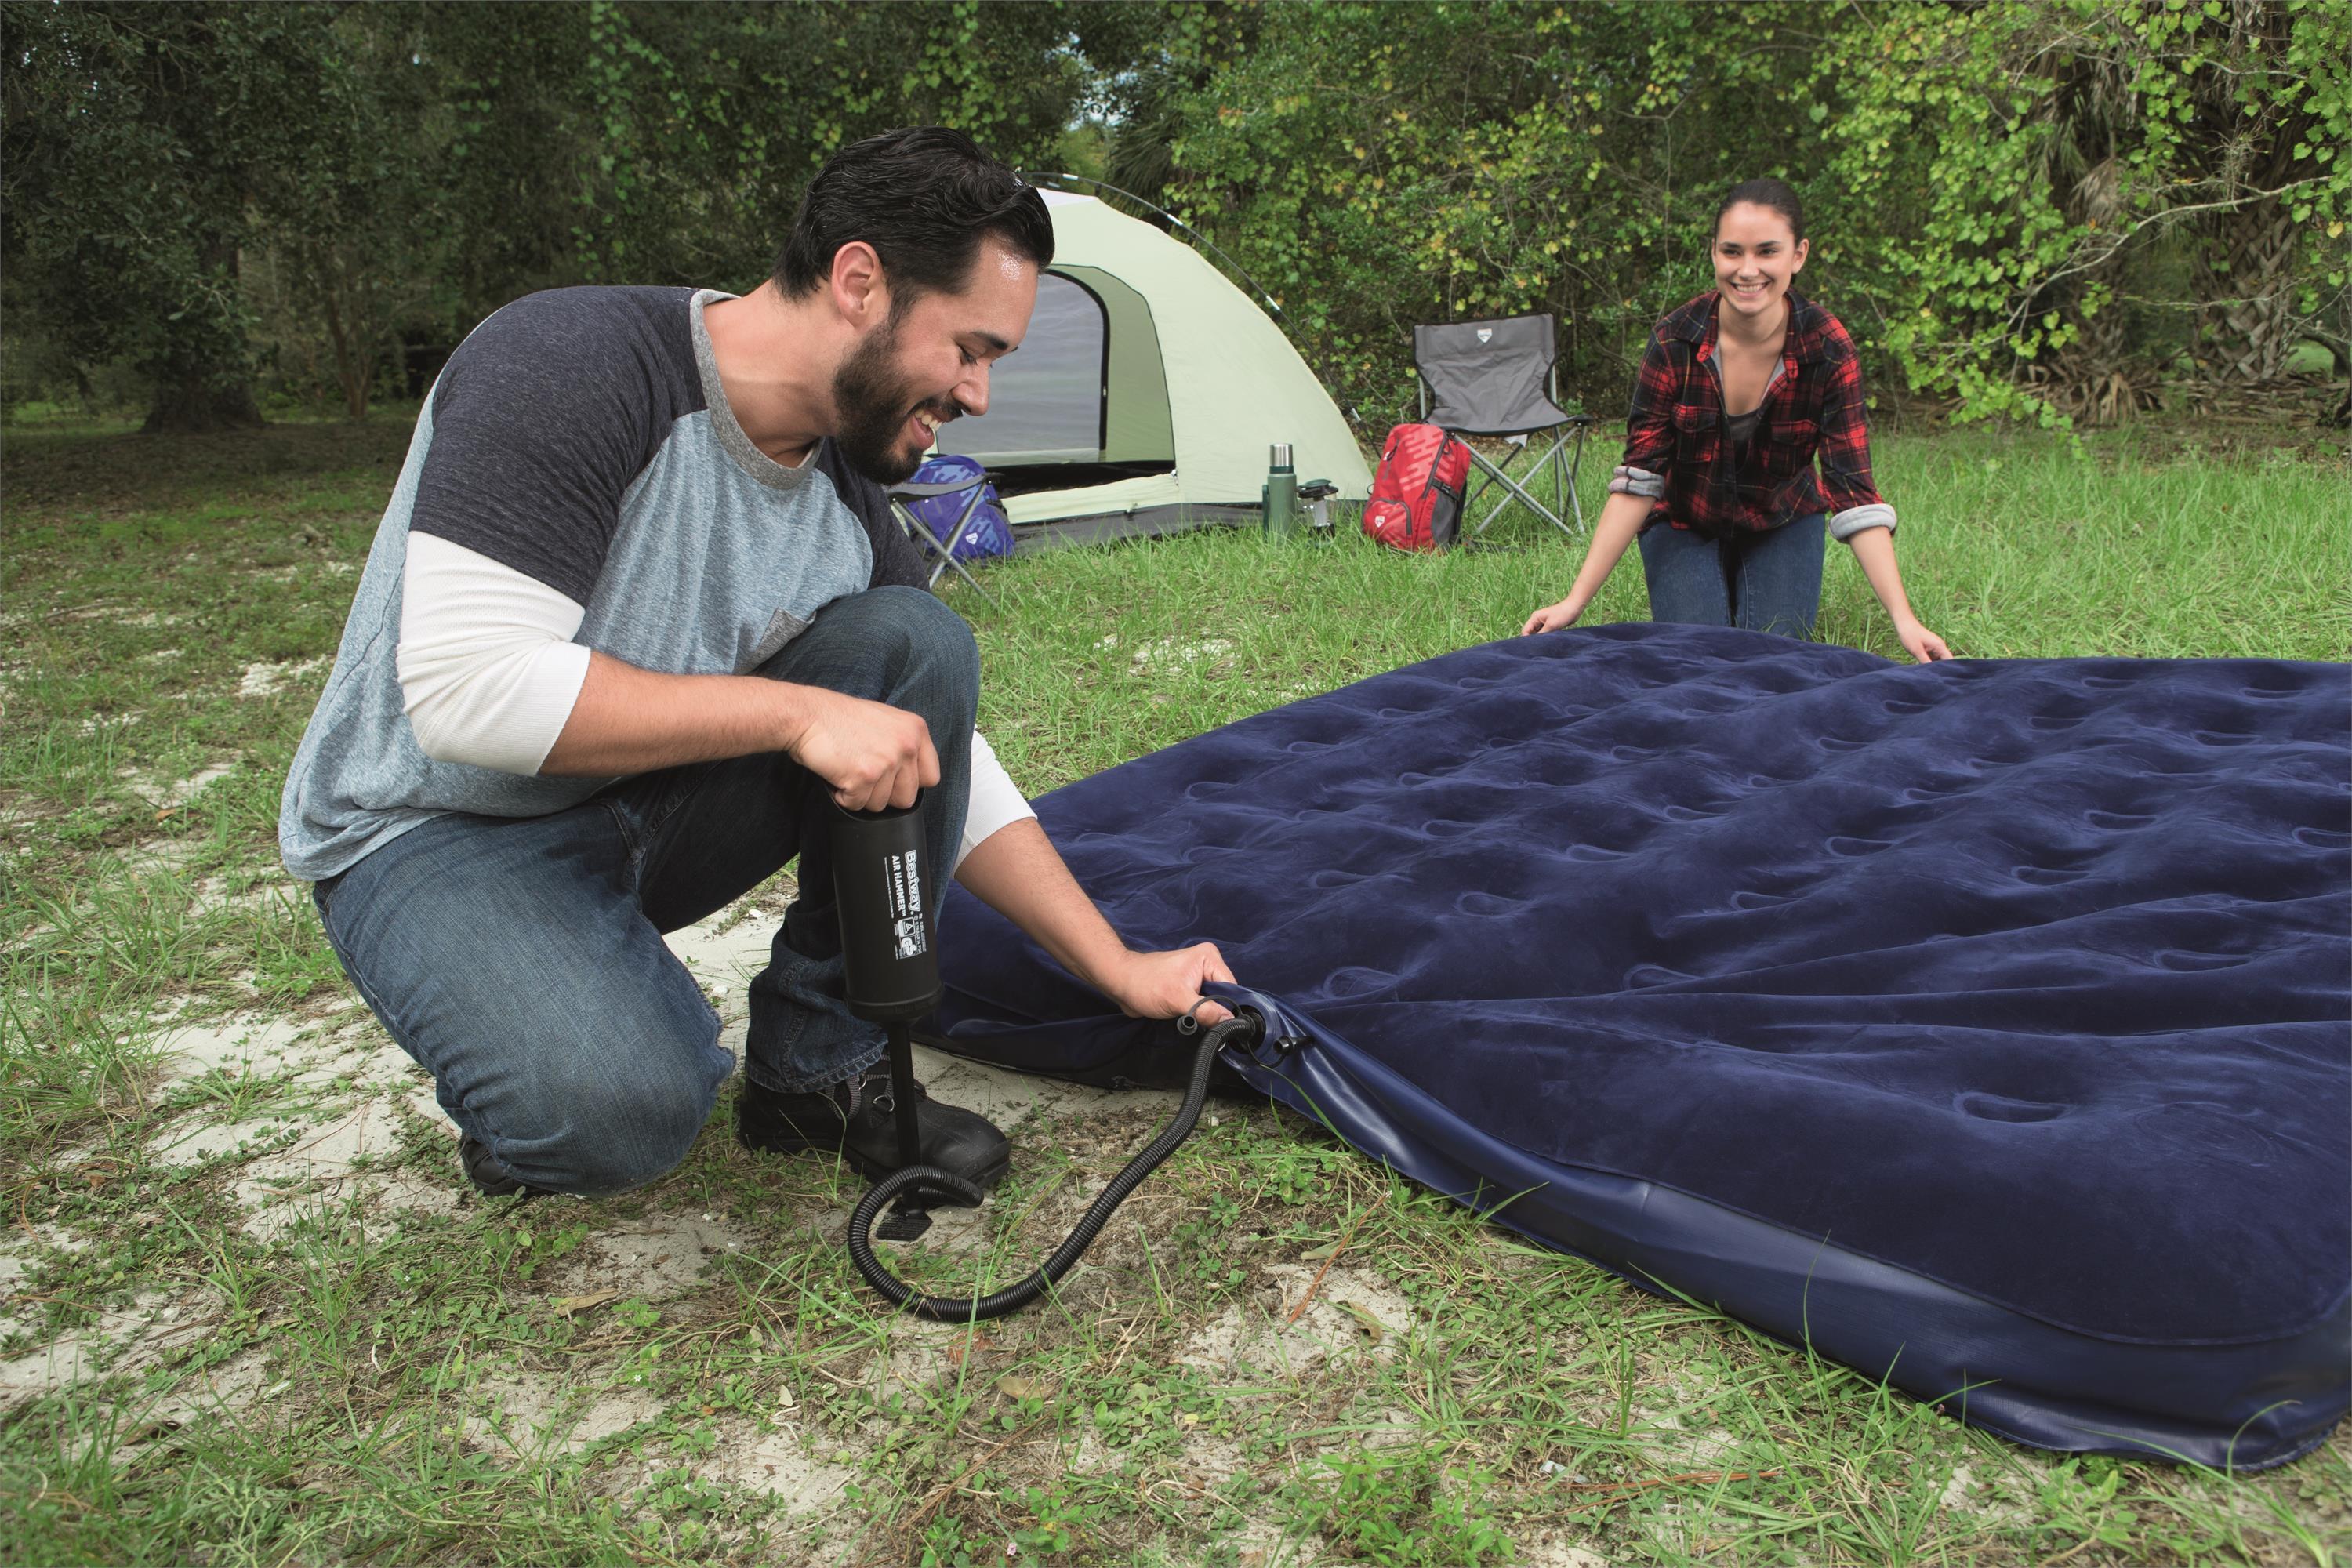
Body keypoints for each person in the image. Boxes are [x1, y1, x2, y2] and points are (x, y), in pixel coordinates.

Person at [278, 127, 1234, 1201]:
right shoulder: (573, 363)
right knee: (624, 1115)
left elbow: (930, 749)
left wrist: (1116, 967)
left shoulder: (847, 499)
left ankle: (817, 1071)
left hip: (638, 810)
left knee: (916, 644)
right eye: (970, 349)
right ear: (860, 281)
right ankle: (525, 1069)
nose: (979, 397)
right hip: (432, 826)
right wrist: (791, 716)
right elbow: (466, 695)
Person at [1523, 178, 1950, 662]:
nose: (1748, 270)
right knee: (1697, 656)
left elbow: (1853, 491)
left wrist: (1904, 619)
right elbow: (1640, 478)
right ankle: (1703, 573)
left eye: (1767, 251)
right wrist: (1574, 602)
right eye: (1732, 252)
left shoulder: (1829, 348)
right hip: (1686, 520)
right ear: (1714, 254)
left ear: (1798, 254)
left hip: (1781, 519)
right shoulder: (1674, 340)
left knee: (1775, 656)